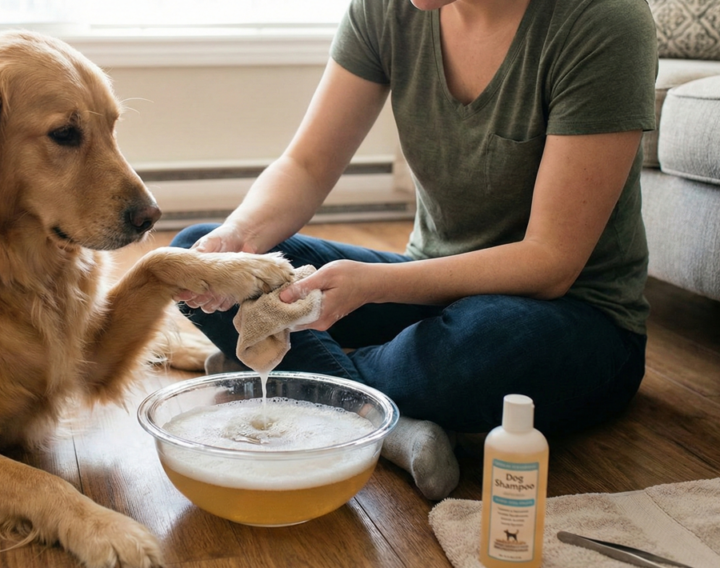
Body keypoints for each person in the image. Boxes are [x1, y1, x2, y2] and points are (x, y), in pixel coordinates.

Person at [171, 0, 658, 500]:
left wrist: (373, 284)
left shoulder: (604, 19)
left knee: (482, 345)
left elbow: (550, 260)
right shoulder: (387, 10)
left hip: (572, 317)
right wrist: (236, 239)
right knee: (197, 255)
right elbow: (308, 164)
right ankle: (388, 424)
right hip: (431, 284)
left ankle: (291, 375)